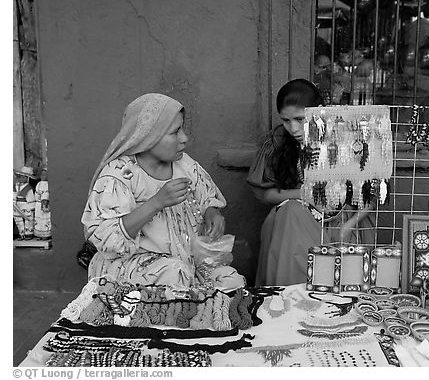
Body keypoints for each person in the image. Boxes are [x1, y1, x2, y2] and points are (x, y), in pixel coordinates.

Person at [82, 93, 243, 290]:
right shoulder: (120, 175)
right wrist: (156, 202)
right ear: (148, 137)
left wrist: (212, 213)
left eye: (182, 129)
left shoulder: (185, 164)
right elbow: (106, 239)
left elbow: (207, 197)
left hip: (187, 261)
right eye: (175, 132)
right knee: (174, 275)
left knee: (232, 281)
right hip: (134, 265)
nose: (184, 138)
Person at [247, 79, 376, 286]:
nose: (293, 128)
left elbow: (371, 193)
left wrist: (350, 225)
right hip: (295, 218)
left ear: (320, 112)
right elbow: (266, 194)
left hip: (344, 219)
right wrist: (304, 195)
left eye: (300, 119)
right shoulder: (279, 140)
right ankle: (290, 300)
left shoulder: (346, 135)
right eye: (286, 120)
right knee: (290, 214)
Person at [13, 166, 37, 239]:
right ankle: (21, 233)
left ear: (27, 178)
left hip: (26, 205)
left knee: (28, 219)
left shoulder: (28, 188)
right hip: (17, 205)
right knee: (18, 219)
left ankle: (28, 233)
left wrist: (32, 207)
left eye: (23, 177)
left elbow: (31, 198)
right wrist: (13, 201)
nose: (20, 178)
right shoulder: (16, 186)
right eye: (20, 176)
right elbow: (13, 194)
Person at [34, 167, 51, 239]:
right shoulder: (39, 184)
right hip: (38, 204)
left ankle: (45, 235)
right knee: (38, 220)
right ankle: (39, 234)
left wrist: (44, 204)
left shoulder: (46, 184)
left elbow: (45, 195)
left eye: (44, 174)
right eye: (42, 174)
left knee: (45, 220)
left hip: (43, 204)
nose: (42, 176)